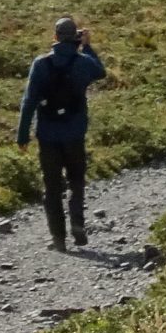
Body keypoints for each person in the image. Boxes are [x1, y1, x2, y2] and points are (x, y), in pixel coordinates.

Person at [16, 16, 106, 249]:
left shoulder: (40, 64)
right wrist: (87, 45)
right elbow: (100, 72)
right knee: (76, 181)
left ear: (54, 37)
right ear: (75, 36)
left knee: (52, 187)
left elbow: (29, 101)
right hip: (75, 133)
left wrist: (23, 135)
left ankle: (58, 238)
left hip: (47, 135)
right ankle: (77, 223)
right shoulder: (83, 62)